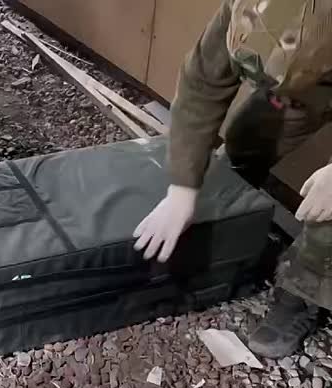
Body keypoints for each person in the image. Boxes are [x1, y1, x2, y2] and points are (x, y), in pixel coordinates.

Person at [133, 0, 331, 359]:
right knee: (246, 141)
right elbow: (203, 82)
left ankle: (303, 292)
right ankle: (231, 223)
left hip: (319, 70)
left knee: (327, 210)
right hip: (305, 87)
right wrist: (183, 190)